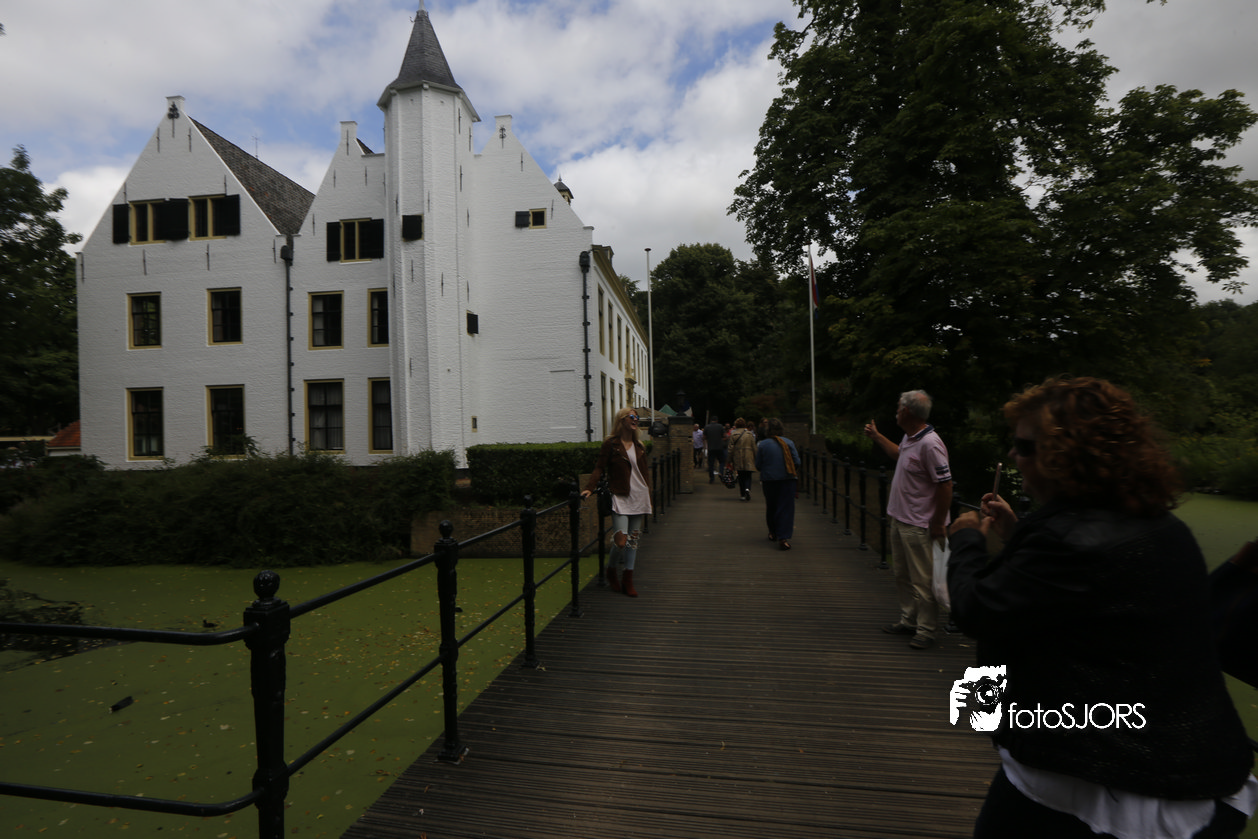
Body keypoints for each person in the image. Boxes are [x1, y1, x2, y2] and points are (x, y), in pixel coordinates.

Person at [948, 377, 1255, 839]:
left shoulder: (1067, 541)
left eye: (1025, 446)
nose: (1013, 455)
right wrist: (1018, 532)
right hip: (1184, 755)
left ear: (1065, 457)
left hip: (1104, 776)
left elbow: (977, 608)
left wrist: (966, 541)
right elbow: (1080, 590)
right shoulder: (1159, 525)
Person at [864, 389, 952, 650]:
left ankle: (926, 630)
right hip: (901, 518)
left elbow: (945, 484)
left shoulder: (930, 444)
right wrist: (877, 436)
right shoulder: (911, 437)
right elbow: (898, 454)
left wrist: (938, 523)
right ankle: (909, 620)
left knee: (922, 579)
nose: (896, 411)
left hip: (919, 523)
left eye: (898, 407)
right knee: (902, 575)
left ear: (906, 411)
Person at [582, 407, 652, 597]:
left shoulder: (640, 446)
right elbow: (599, 467)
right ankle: (611, 569)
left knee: (633, 541)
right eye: (632, 416)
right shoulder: (611, 444)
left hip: (639, 496)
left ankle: (628, 579)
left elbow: (645, 474)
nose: (635, 419)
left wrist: (649, 496)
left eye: (637, 417)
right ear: (622, 420)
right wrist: (590, 487)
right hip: (620, 495)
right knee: (621, 540)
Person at [755, 417, 800, 550]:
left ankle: (772, 532)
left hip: (769, 480)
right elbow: (797, 462)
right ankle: (783, 537)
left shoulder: (763, 445)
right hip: (787, 479)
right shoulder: (789, 443)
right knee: (785, 508)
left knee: (772, 506)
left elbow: (758, 465)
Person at [728, 418, 758, 501]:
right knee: (748, 475)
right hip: (749, 456)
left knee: (741, 476)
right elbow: (754, 447)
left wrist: (729, 459)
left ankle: (742, 494)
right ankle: (747, 488)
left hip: (738, 456)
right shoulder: (749, 434)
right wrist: (756, 457)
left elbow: (730, 449)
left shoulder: (733, 434)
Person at [704, 415, 727, 484]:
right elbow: (725, 436)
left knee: (711, 464)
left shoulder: (707, 427)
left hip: (711, 447)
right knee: (722, 461)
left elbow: (704, 437)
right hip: (719, 447)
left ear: (711, 420)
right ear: (717, 420)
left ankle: (711, 478)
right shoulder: (720, 426)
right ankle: (721, 472)